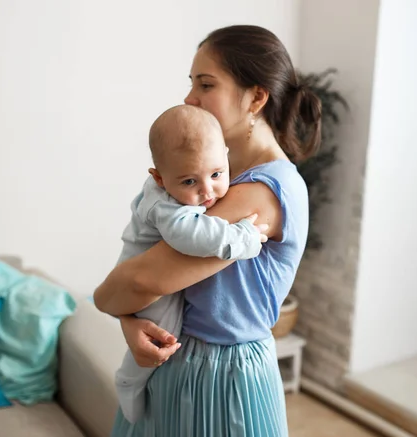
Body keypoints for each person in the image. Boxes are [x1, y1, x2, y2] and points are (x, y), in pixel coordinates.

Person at [94, 24, 321, 437]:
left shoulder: (263, 192)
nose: (189, 98)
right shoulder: (218, 181)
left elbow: (139, 280)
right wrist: (130, 319)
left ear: (255, 97)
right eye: (191, 83)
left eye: (206, 84)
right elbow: (138, 287)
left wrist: (113, 301)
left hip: (220, 374)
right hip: (181, 358)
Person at [114, 104, 267, 424]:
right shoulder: (165, 205)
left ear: (226, 157)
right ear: (159, 177)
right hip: (143, 277)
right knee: (161, 332)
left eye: (216, 174)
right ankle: (130, 379)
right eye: (189, 182)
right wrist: (243, 238)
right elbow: (193, 238)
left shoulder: (193, 187)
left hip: (151, 276)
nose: (207, 191)